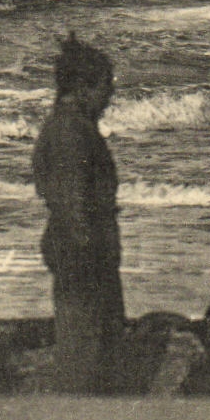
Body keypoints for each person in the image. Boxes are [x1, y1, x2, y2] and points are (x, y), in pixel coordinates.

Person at [32, 33, 126, 394]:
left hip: (81, 252)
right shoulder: (72, 131)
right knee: (85, 357)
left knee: (88, 350)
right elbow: (73, 205)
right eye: (105, 87)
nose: (109, 96)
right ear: (83, 88)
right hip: (83, 256)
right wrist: (90, 253)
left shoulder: (68, 126)